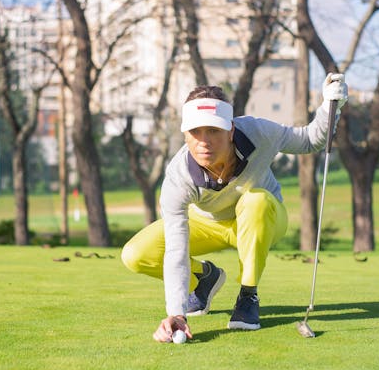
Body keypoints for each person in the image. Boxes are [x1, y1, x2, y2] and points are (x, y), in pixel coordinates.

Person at [121, 74, 347, 343]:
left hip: (263, 218)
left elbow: (309, 140)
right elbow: (176, 249)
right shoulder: (177, 176)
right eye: (195, 132)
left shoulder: (258, 132)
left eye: (213, 131)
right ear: (185, 133)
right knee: (135, 254)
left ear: (230, 130)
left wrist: (330, 107)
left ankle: (248, 295)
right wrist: (176, 313)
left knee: (255, 200)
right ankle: (204, 280)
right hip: (209, 223)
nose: (203, 141)